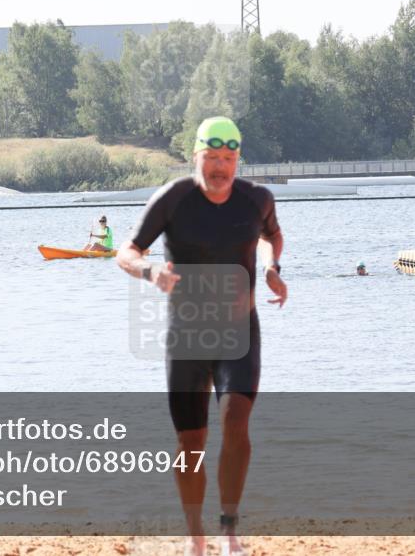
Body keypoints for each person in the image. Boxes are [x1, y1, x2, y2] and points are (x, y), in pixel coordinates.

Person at [116, 116, 287, 556]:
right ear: (195, 157)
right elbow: (126, 252)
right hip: (187, 337)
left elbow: (272, 236)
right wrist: (149, 268)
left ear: (237, 161)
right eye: (211, 158)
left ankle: (229, 529)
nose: (219, 167)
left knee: (236, 421)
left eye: (228, 159)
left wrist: (271, 268)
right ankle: (196, 535)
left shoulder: (256, 199)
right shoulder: (173, 199)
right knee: (190, 442)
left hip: (239, 333)